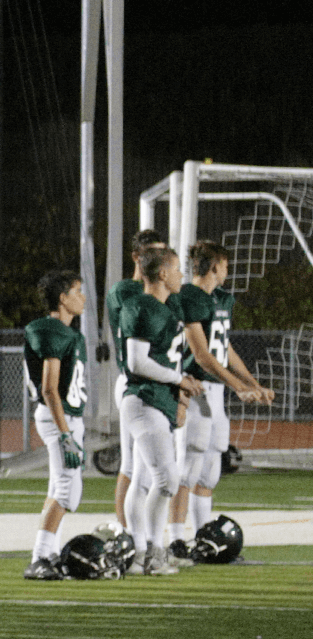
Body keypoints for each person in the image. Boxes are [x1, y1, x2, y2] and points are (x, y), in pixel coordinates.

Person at [171, 241, 271, 554]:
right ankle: (175, 540)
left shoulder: (221, 299)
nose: (228, 271)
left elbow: (223, 347)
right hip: (195, 388)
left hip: (215, 391)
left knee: (211, 467)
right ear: (215, 266)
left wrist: (252, 383)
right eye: (225, 265)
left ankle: (204, 537)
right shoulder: (189, 296)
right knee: (188, 467)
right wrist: (239, 386)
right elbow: (202, 355)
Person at [116, 246, 202, 574]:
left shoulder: (164, 308)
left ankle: (139, 554)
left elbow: (167, 360)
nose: (181, 275)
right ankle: (153, 552)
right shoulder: (141, 306)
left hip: (158, 400)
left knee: (143, 481)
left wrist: (179, 395)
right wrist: (179, 380)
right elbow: (137, 362)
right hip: (144, 399)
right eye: (177, 269)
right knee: (167, 479)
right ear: (163, 273)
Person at [23, 270, 88, 579]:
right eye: (77, 291)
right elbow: (49, 389)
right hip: (58, 417)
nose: (83, 298)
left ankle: (49, 553)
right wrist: (65, 434)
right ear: (62, 298)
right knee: (67, 490)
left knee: (59, 487)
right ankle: (39, 557)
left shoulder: (67, 332)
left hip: (67, 416)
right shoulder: (51, 330)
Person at [108, 230, 166, 526]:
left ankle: (143, 532)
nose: (159, 259)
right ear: (136, 257)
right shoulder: (126, 291)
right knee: (132, 465)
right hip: (134, 381)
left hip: (157, 382)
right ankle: (125, 530)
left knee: (155, 467)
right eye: (152, 253)